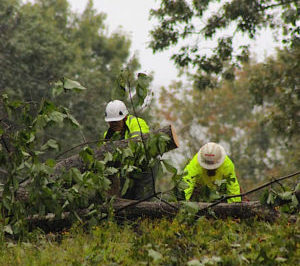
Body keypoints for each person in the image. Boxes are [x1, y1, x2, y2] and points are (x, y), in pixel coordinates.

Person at [104, 100, 154, 200]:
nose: (113, 124)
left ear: (125, 117)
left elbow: (139, 147)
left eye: (116, 121)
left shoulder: (137, 123)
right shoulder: (108, 135)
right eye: (111, 122)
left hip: (144, 167)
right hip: (126, 170)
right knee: (126, 199)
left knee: (143, 198)